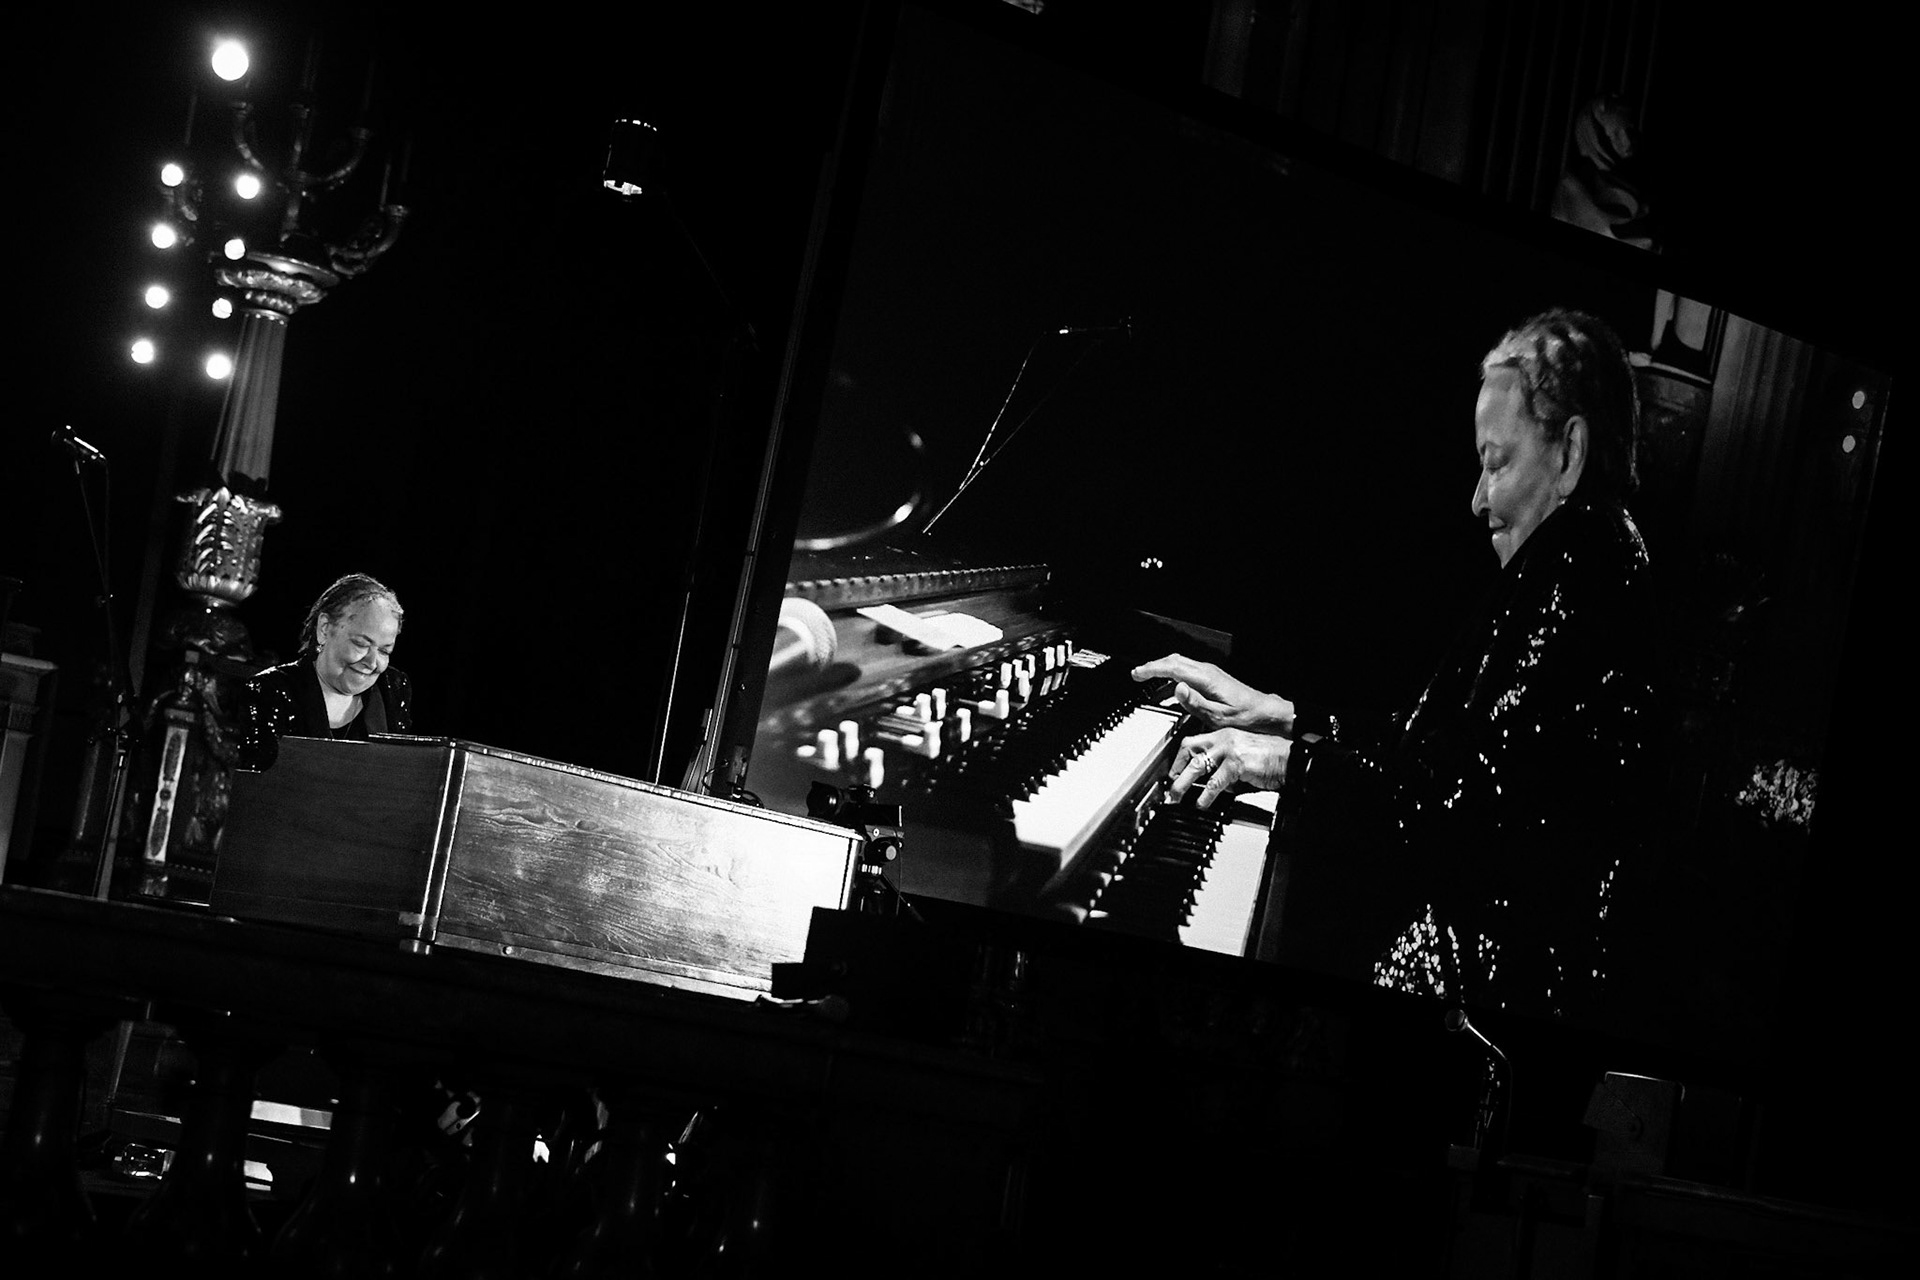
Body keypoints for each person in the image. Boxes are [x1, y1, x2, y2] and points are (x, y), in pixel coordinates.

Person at [1133, 308, 1660, 1021]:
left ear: (1568, 452)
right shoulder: (1595, 558)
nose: (1478, 501)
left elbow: (1457, 797)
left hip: (1489, 1014)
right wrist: (1287, 716)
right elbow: (1444, 748)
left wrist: (1283, 762)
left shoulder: (1577, 567)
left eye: (1496, 462)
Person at [236, 573, 414, 770]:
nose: (372, 662)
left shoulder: (393, 688)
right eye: (361, 644)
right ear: (324, 629)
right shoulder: (270, 691)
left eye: (384, 651)